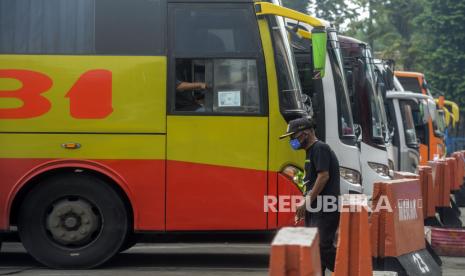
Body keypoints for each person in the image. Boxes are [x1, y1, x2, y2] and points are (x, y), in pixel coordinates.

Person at [280, 117, 341, 273]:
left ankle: (348, 271)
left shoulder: (320, 148)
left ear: (305, 133)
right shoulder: (310, 152)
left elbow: (323, 176)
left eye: (293, 136)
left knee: (322, 247)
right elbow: (312, 182)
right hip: (315, 209)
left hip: (325, 209)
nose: (292, 141)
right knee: (314, 248)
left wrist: (306, 202)